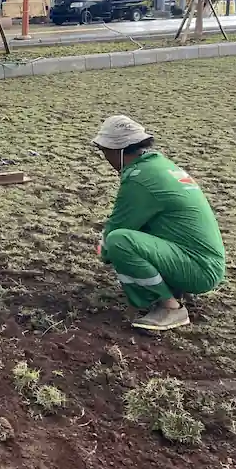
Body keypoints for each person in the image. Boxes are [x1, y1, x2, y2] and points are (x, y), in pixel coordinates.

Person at [93, 114, 225, 332]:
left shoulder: (139, 178)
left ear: (118, 150)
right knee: (137, 231)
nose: (105, 157)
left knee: (119, 241)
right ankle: (173, 288)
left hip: (200, 269)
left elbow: (116, 229)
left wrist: (104, 251)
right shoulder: (158, 166)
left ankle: (170, 308)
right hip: (204, 261)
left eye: (105, 151)